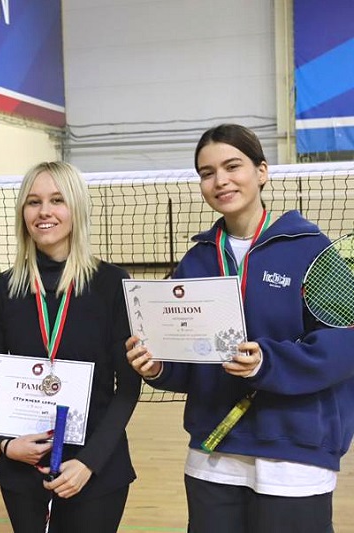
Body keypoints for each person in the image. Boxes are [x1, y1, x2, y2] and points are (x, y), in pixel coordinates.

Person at [126, 124, 354, 532]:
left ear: (261, 171)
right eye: (207, 172)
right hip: (214, 452)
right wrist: (159, 367)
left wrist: (268, 362)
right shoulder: (196, 261)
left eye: (232, 166)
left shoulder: (312, 249)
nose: (220, 180)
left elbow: (343, 345)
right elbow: (190, 358)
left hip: (293, 452)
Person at [0, 161, 141, 532]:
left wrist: (89, 463)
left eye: (57, 200)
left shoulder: (112, 284)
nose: (44, 211)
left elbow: (128, 388)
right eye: (33, 202)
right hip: (22, 464)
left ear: (76, 208)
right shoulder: (1, 290)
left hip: (96, 467)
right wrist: (6, 444)